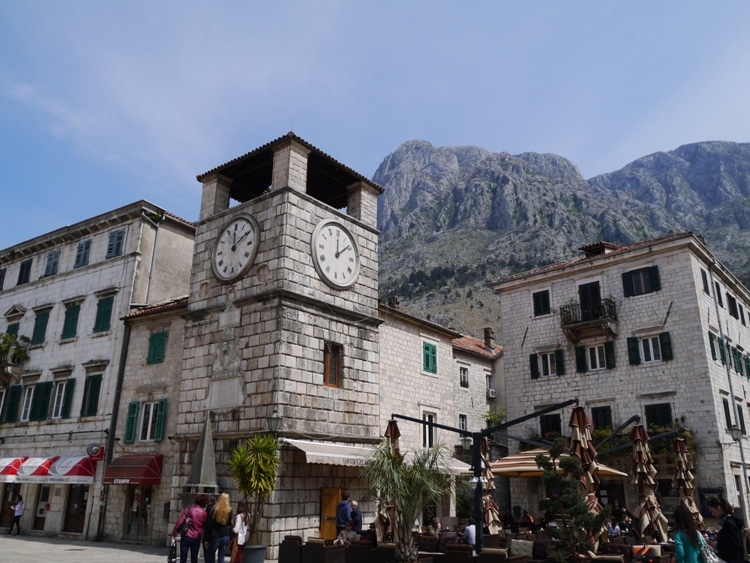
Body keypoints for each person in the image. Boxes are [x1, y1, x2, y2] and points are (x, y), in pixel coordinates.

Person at [171, 494, 210, 563]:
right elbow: (204, 525)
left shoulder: (188, 509)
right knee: (194, 558)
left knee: (183, 557)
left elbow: (179, 522)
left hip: (186, 535)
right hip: (196, 537)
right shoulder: (204, 513)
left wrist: (174, 533)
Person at [707, 497, 744, 563]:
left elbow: (734, 544)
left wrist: (717, 544)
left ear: (718, 508)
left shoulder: (729, 523)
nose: (712, 514)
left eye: (712, 511)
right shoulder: (728, 522)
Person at [203, 492, 234, 563]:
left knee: (210, 556)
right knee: (221, 557)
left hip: (215, 536)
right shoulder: (230, 510)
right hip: (225, 536)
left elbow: (209, 525)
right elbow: (229, 523)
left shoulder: (214, 510)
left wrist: (207, 539)